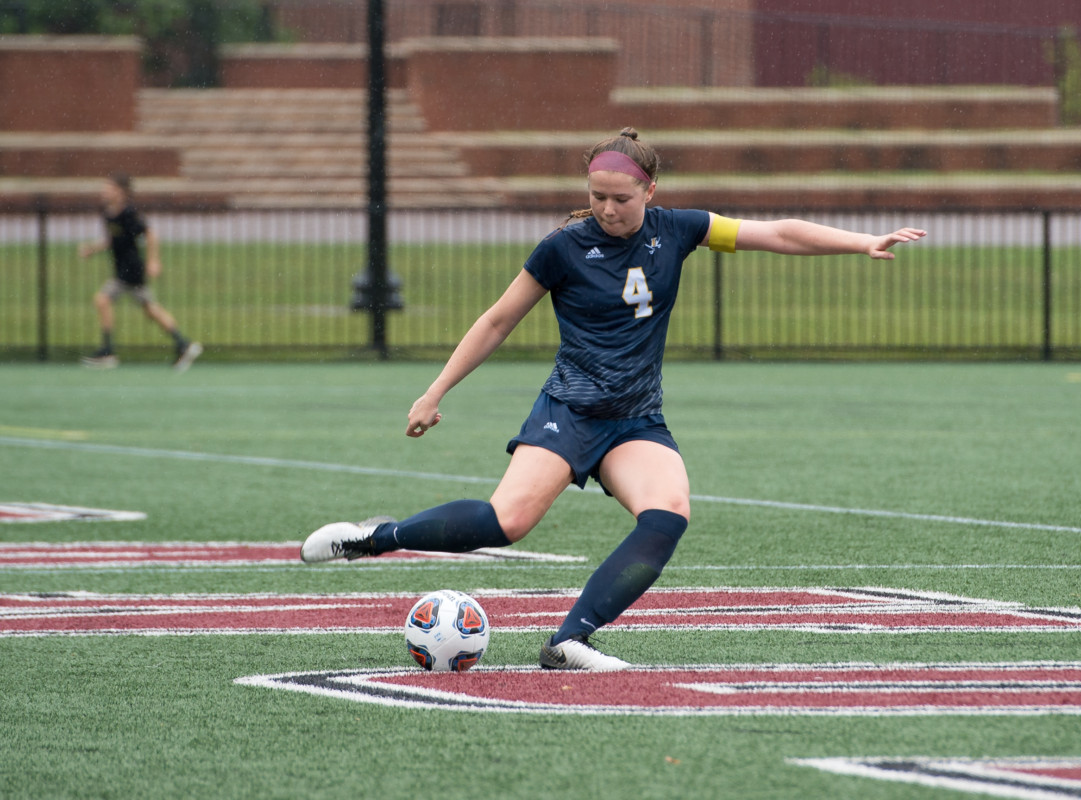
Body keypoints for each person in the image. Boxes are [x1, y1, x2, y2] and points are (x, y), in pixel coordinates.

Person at [301, 128, 926, 671]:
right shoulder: (562, 249)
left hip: (634, 420)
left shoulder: (679, 230)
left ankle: (570, 640)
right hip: (569, 411)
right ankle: (375, 538)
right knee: (506, 523)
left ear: (650, 191)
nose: (606, 208)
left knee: (668, 512)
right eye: (596, 196)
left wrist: (859, 241)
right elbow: (497, 321)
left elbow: (779, 233)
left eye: (620, 199)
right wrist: (434, 391)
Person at [78, 173, 202, 371]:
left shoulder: (129, 213)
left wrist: (154, 261)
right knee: (150, 309)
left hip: (131, 269)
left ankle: (108, 351)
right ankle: (183, 344)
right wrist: (92, 249)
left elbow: (151, 234)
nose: (104, 192)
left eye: (108, 188)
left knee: (102, 300)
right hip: (123, 269)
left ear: (120, 192)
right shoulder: (109, 212)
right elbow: (114, 239)